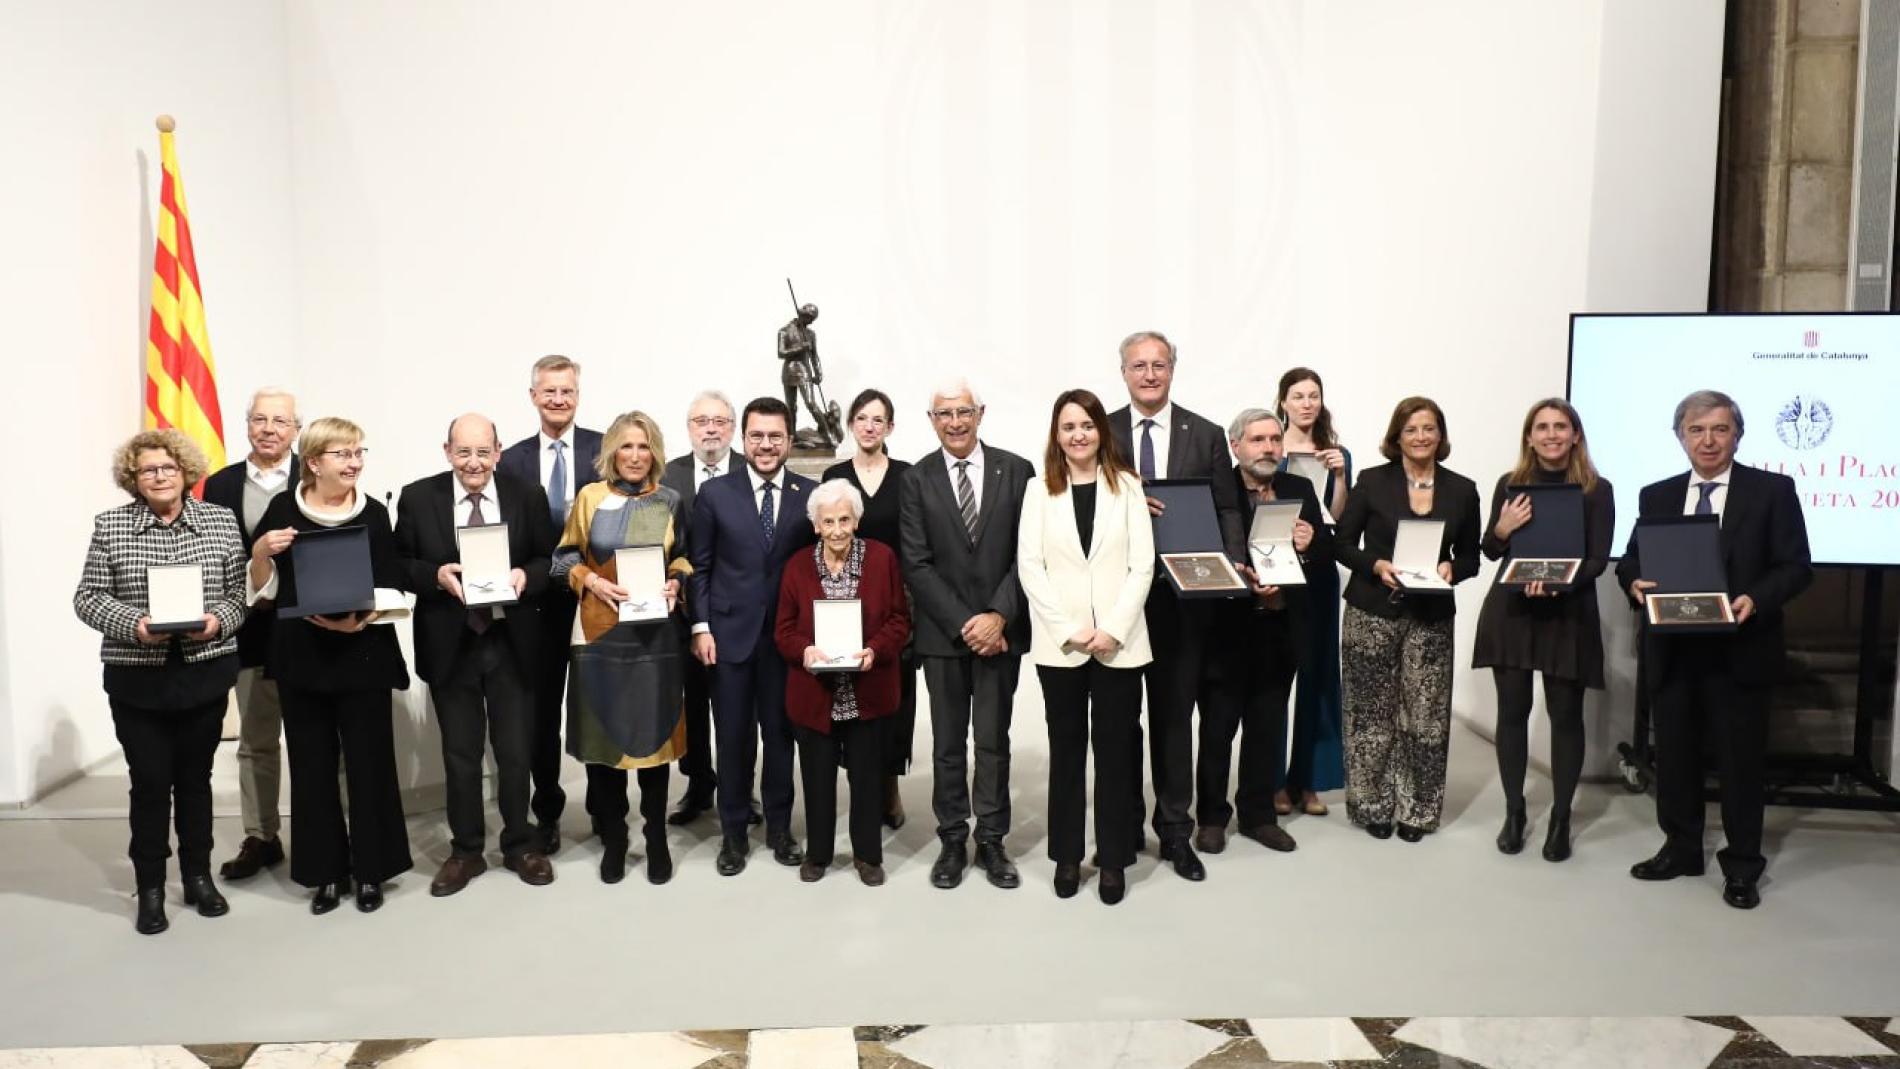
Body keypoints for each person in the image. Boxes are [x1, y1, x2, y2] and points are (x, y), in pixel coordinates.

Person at [1617, 389, 1811, 910]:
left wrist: (1756, 598)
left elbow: (1796, 567)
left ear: (1737, 435)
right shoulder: (1656, 495)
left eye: (1719, 430)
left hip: (1741, 649)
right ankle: (1681, 849)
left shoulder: (1772, 491)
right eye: (1696, 430)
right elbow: (1632, 560)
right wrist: (1633, 583)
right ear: (1681, 436)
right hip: (1674, 650)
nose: (1708, 440)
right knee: (1675, 758)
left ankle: (1743, 866)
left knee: (1740, 765)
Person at [74, 430, 247, 935]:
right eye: (148, 470)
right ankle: (150, 886)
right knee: (150, 785)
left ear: (185, 472)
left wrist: (218, 619)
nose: (159, 476)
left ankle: (197, 877)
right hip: (138, 680)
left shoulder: (220, 521)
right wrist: (135, 625)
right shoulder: (111, 526)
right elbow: (88, 597)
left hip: (204, 671)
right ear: (134, 477)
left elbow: (240, 591)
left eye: (168, 468)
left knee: (195, 782)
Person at [247, 417, 413, 914]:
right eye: (343, 454)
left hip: (362, 651)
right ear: (314, 462)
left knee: (370, 764)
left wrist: (357, 621)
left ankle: (371, 872)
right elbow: (266, 589)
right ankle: (325, 874)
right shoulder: (282, 508)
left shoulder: (376, 513)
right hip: (303, 656)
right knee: (312, 765)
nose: (354, 462)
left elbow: (391, 581)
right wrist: (259, 551)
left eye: (359, 452)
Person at [394, 414, 556, 895]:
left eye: (483, 452)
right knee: (460, 755)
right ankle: (466, 851)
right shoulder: (419, 497)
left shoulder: (527, 495)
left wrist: (528, 576)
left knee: (515, 752)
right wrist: (435, 577)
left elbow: (548, 558)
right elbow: (400, 563)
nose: (473, 462)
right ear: (447, 452)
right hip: (453, 644)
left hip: (512, 643)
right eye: (463, 452)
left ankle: (520, 844)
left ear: (499, 452)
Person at [1106, 330, 1244, 882]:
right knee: (1120, 722)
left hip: (1183, 603)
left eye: (1158, 365)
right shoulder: (1103, 431)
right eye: (1138, 366)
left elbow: (1227, 509)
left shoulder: (1206, 434)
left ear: (1173, 369)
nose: (1149, 375)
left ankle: (1174, 832)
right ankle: (1123, 828)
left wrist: (1232, 565)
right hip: (1118, 600)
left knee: (1172, 721)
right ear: (1122, 372)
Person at [1016, 389, 1153, 904]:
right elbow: (1031, 566)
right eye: (1068, 426)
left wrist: (1113, 628)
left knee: (1116, 755)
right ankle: (1067, 857)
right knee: (1067, 753)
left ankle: (1114, 859)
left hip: (1121, 645)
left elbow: (1143, 565)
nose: (1078, 434)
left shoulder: (1129, 488)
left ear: (1101, 431)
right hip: (1063, 647)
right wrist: (1068, 628)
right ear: (1057, 434)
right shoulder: (1038, 491)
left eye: (1087, 425)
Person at [897, 379, 1035, 891]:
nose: (955, 422)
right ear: (931, 420)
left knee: (994, 741)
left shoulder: (1017, 471)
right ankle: (953, 838)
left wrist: (998, 615)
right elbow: (916, 561)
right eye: (943, 414)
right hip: (944, 638)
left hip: (1002, 633)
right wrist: (966, 623)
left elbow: (1031, 552)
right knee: (949, 746)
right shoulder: (918, 479)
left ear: (981, 413)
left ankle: (993, 839)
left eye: (963, 412)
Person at [554, 411, 695, 885]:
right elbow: (563, 557)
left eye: (644, 447)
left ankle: (656, 838)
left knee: (654, 744)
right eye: (626, 447)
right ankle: (614, 839)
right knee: (605, 743)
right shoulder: (590, 498)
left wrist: (677, 581)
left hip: (655, 638)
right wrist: (590, 578)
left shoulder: (671, 499)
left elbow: (684, 556)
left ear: (656, 453)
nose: (635, 456)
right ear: (612, 452)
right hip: (597, 636)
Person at [1334, 397, 1481, 842]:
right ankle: (1372, 804)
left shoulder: (1462, 488)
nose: (1421, 437)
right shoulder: (1372, 482)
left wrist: (1452, 569)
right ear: (1396, 437)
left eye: (1430, 428)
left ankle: (1418, 808)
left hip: (1430, 615)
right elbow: (1342, 544)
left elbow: (1471, 556)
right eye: (1412, 429)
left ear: (1441, 436)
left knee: (1427, 716)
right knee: (1369, 713)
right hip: (1372, 610)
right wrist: (1376, 565)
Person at [1472, 399, 1614, 862]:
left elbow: (1596, 558)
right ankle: (1514, 813)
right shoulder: (1509, 485)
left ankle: (1561, 817)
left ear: (1576, 435)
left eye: (1561, 426)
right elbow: (1490, 551)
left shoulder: (1596, 489)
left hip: (1567, 611)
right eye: (1542, 427)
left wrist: (1558, 583)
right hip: (1512, 609)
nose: (1552, 434)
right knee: (1512, 712)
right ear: (1529, 437)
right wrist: (1502, 526)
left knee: (1565, 716)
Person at [689, 397, 818, 876]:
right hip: (728, 638)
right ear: (743, 440)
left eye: (775, 437)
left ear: (789, 441)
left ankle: (781, 830)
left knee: (781, 738)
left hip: (786, 643)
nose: (766, 445)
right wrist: (700, 627)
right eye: (757, 436)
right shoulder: (716, 494)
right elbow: (699, 568)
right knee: (734, 739)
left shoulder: (811, 494)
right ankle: (733, 834)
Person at [1197, 409, 1329, 857]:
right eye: (1257, 440)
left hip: (1280, 627)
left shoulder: (1300, 489)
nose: (1269, 447)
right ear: (1236, 447)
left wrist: (1311, 547)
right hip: (1228, 629)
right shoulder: (1219, 490)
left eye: (1275, 439)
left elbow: (1324, 557)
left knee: (1266, 728)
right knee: (1218, 729)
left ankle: (1258, 816)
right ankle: (1212, 818)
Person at [775, 481, 912, 885]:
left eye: (845, 520)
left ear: (857, 521)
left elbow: (899, 619)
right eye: (828, 521)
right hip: (815, 694)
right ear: (816, 525)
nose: (837, 529)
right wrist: (805, 651)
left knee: (867, 780)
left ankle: (868, 856)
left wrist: (875, 650)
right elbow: (782, 629)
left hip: (866, 691)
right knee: (817, 779)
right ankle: (818, 854)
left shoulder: (882, 558)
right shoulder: (798, 565)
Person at [499, 354, 604, 856]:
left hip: (597, 600)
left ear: (578, 395)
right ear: (533, 396)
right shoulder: (511, 460)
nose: (558, 399)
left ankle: (607, 809)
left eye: (567, 391)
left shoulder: (605, 450)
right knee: (541, 714)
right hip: (537, 607)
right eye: (549, 391)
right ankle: (548, 812)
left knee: (600, 704)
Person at [202, 388, 299, 879]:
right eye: (259, 419)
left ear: (296, 429)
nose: (269, 428)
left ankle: (321, 831)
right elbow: (210, 561)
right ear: (247, 425)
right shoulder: (218, 485)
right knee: (257, 741)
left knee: (317, 740)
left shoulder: (316, 476)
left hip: (308, 631)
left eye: (280, 421)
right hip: (248, 633)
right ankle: (260, 836)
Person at [822, 388, 917, 830]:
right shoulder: (834, 473)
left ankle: (890, 786)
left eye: (878, 420)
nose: (869, 426)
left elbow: (918, 543)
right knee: (851, 698)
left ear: (890, 428)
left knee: (896, 700)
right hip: (844, 606)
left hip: (894, 604)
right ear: (851, 425)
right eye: (861, 418)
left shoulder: (907, 476)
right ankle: (862, 786)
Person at [659, 391, 743, 826]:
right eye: (701, 421)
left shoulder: (752, 470)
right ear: (688, 427)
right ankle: (698, 784)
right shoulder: (667, 476)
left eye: (720, 421)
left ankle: (738, 788)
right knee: (691, 704)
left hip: (732, 612)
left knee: (734, 704)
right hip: (679, 612)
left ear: (732, 427)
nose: (710, 428)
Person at [1274, 367, 1349, 817]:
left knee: (1317, 679)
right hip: (1277, 570)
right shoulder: (1268, 445)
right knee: (1275, 677)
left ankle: (1308, 781)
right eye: (1298, 395)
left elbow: (1338, 517)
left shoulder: (1336, 454)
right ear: (1282, 401)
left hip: (1319, 569)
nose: (1307, 403)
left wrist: (1340, 476)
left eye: (1314, 395)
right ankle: (1272, 781)